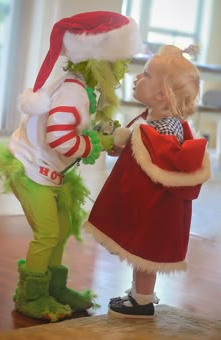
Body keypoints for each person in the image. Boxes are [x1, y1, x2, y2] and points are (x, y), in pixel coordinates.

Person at [0, 11, 143, 322]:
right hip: (30, 169)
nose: (122, 73)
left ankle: (53, 288)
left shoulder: (79, 87)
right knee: (47, 233)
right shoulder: (73, 92)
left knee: (58, 231)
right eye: (118, 64)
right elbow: (60, 138)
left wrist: (97, 137)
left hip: (43, 169)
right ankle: (30, 295)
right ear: (101, 61)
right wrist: (99, 144)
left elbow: (69, 132)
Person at [83, 44, 211, 319]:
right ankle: (137, 296)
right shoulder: (151, 119)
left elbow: (161, 157)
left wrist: (131, 140)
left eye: (146, 75)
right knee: (141, 249)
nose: (138, 78)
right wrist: (121, 143)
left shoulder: (164, 127)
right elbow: (138, 146)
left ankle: (141, 302)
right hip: (148, 201)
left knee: (146, 253)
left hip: (157, 206)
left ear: (163, 94)